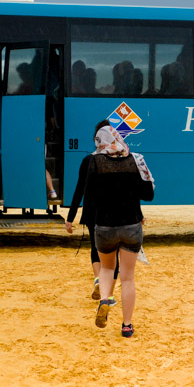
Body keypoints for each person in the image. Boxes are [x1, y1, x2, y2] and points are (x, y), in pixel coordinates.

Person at [65, 126, 154, 337]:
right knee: (128, 278)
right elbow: (148, 194)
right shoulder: (135, 160)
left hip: (104, 227)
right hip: (131, 226)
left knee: (106, 269)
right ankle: (127, 325)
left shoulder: (94, 162)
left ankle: (105, 299)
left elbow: (89, 195)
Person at [66, 120, 120, 298]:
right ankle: (107, 290)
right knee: (113, 250)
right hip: (112, 212)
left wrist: (70, 217)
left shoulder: (88, 160)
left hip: (91, 212)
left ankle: (98, 279)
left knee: (95, 246)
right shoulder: (117, 159)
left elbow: (79, 189)